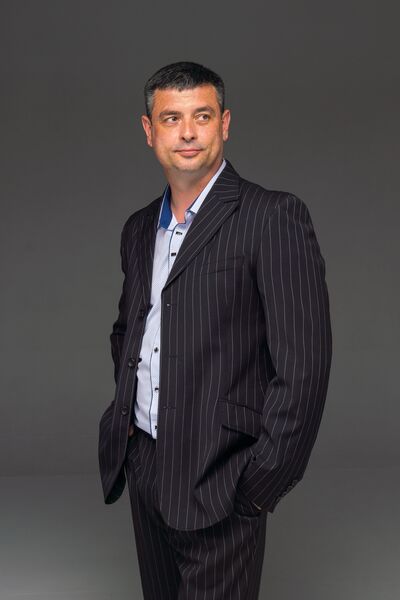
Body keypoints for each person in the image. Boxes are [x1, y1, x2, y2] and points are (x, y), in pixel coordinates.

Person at [98, 61, 332, 599]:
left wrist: (259, 485)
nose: (187, 132)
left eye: (201, 116)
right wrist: (130, 424)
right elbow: (129, 330)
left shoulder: (271, 216)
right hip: (145, 461)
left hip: (223, 476)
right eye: (172, 118)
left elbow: (304, 367)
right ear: (149, 130)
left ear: (224, 123)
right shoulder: (139, 228)